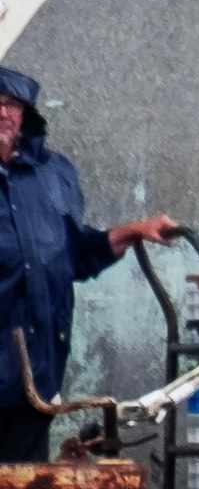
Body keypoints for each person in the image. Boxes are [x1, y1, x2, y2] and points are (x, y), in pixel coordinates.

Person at [0, 67, 178, 466]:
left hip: (36, 369)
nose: (2, 113)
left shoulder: (53, 174)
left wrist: (137, 230)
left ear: (25, 113)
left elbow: (74, 256)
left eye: (11, 104)